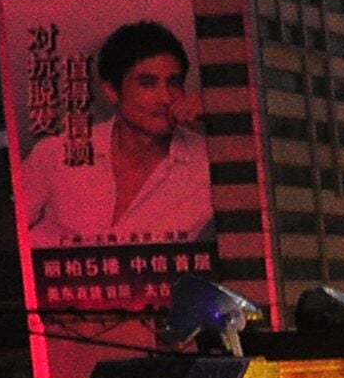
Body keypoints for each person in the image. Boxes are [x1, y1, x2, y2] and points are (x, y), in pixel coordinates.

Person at [17, 20, 211, 248]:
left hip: (148, 280)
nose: (166, 98)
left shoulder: (206, 164)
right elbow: (8, 228)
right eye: (147, 83)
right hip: (53, 280)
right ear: (112, 91)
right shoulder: (56, 153)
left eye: (174, 83)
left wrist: (220, 110)